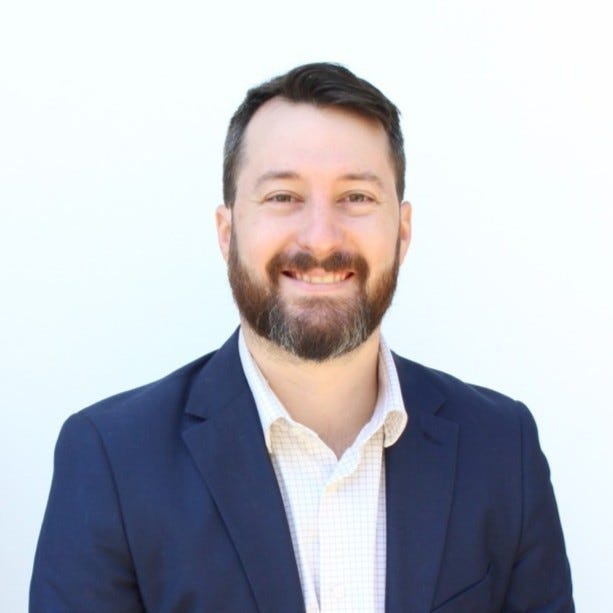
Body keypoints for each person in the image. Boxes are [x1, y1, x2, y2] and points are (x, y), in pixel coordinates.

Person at [30, 63, 574, 612]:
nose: (320, 239)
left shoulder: (502, 450)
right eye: (283, 196)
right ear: (227, 233)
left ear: (403, 232)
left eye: (356, 197)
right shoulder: (112, 461)